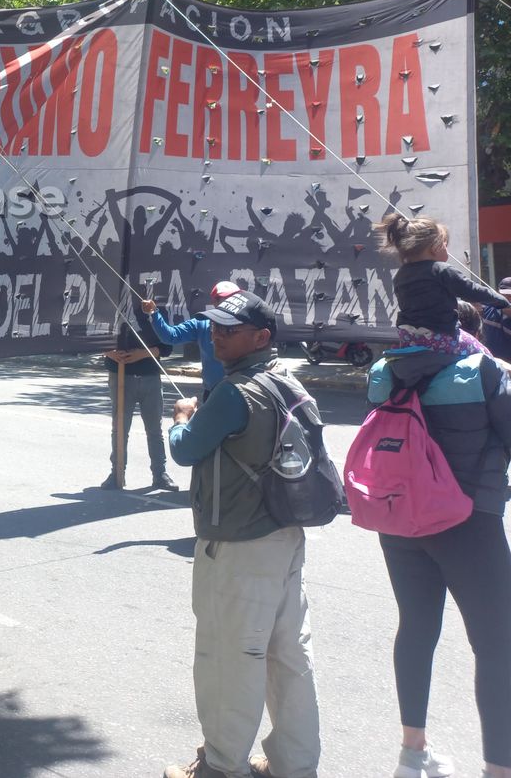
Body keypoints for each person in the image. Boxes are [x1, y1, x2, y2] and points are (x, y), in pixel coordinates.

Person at [366, 302, 511, 778]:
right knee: (494, 648)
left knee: (415, 628)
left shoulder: (389, 369)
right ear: (469, 333)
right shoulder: (483, 372)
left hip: (402, 517)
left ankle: (412, 754)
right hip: (469, 522)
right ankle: (498, 770)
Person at [163, 290, 321, 778]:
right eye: (214, 328)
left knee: (228, 657)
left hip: (238, 542)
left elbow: (185, 451)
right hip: (286, 533)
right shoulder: (288, 383)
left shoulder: (236, 392)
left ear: (261, 337)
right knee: (288, 655)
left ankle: (220, 766)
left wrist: (182, 417)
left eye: (228, 330)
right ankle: (293, 765)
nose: (217, 336)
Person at [377, 213, 508, 357]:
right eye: (445, 246)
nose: (447, 251)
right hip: (440, 335)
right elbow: (471, 290)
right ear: (435, 247)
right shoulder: (440, 270)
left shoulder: (400, 275)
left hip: (410, 338)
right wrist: (500, 300)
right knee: (485, 355)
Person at [101, 313, 177, 492]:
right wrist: (109, 352)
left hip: (150, 375)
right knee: (120, 428)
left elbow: (166, 346)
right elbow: (93, 337)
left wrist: (142, 354)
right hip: (120, 376)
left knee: (154, 429)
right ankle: (117, 472)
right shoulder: (109, 302)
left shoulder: (153, 309)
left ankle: (160, 474)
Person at [142, 280, 242, 400]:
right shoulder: (201, 324)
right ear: (214, 301)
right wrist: (154, 313)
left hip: (242, 393)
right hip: (212, 394)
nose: (230, 303)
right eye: (225, 299)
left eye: (234, 298)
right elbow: (170, 336)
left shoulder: (249, 326)